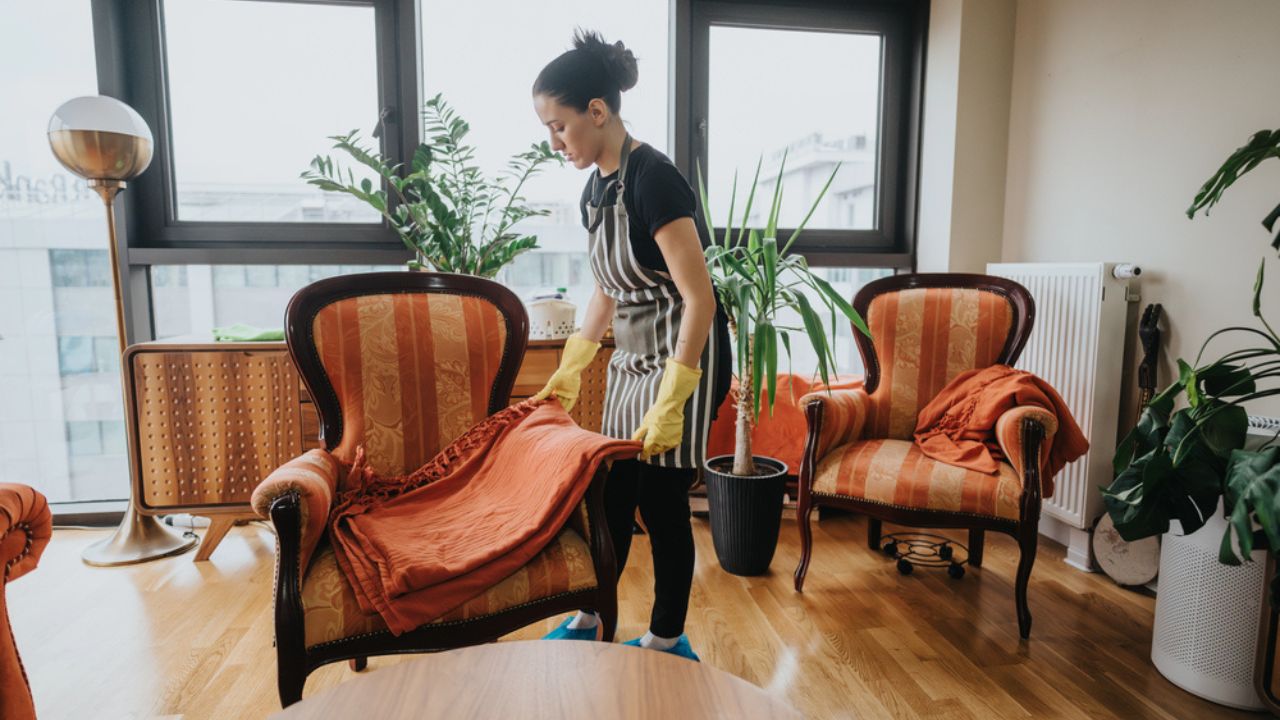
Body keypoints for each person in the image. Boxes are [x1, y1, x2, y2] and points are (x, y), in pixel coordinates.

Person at [531, 29, 731, 661]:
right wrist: (572, 367)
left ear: (598, 110)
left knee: (660, 500)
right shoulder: (597, 187)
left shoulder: (654, 180)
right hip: (632, 359)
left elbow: (699, 299)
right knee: (611, 491)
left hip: (685, 357)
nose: (555, 142)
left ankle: (668, 637)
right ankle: (594, 618)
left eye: (560, 127)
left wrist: (674, 396)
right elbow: (606, 291)